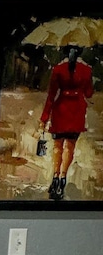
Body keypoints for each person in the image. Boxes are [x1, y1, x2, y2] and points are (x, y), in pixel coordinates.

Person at [39, 45, 93, 200]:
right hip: (76, 111)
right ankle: (63, 178)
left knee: (57, 146)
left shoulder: (58, 69)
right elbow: (88, 93)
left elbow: (51, 95)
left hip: (60, 109)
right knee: (70, 146)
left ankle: (55, 177)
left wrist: (44, 118)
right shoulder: (86, 70)